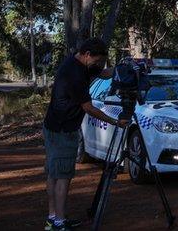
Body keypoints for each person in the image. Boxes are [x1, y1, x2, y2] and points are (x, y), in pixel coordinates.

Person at [43, 38, 127, 230]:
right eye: (97, 60)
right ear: (88, 54)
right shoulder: (74, 74)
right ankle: (59, 223)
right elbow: (88, 108)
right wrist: (115, 121)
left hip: (54, 127)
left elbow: (104, 73)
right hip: (63, 131)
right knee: (62, 176)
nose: (98, 64)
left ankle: (54, 217)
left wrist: (125, 68)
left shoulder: (78, 63)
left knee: (54, 173)